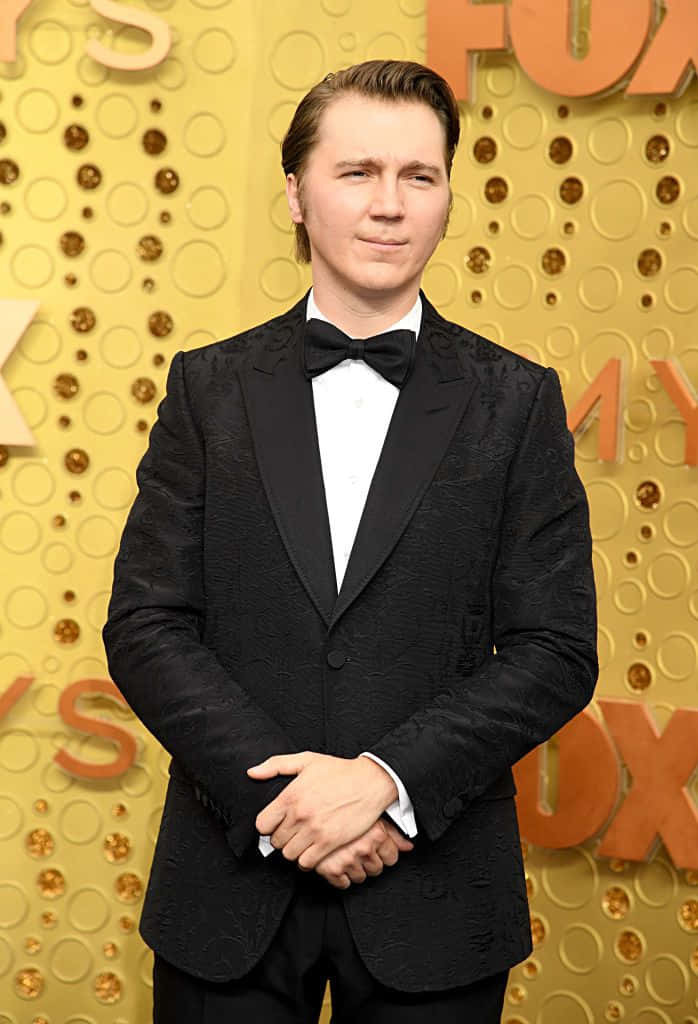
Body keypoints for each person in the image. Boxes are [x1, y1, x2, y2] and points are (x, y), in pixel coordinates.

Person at [103, 58, 598, 1023]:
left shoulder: (518, 400)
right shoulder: (209, 388)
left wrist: (384, 784)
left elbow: (554, 649)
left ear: (450, 198)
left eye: (420, 177)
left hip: (436, 893)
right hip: (230, 886)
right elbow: (148, 624)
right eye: (357, 173)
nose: (389, 205)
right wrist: (294, 810)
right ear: (295, 193)